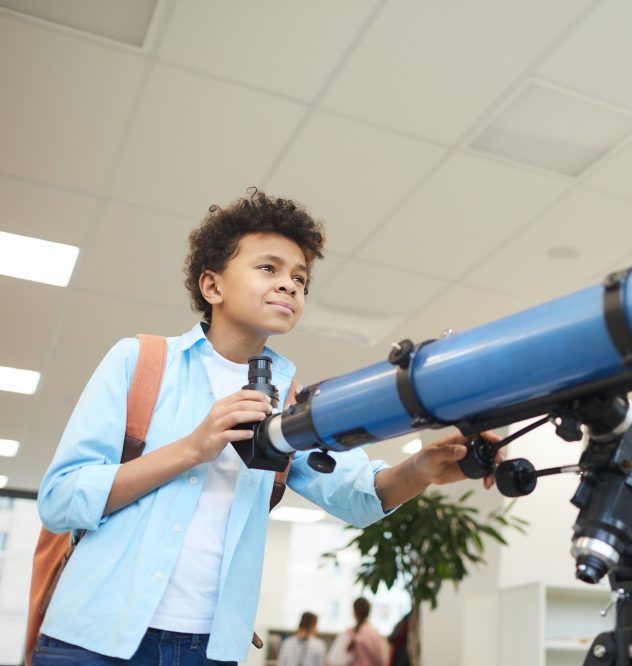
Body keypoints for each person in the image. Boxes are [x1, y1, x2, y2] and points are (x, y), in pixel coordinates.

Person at [32, 190, 501, 665]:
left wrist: (423, 467)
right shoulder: (139, 361)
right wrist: (193, 448)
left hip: (208, 650)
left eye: (300, 278)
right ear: (212, 286)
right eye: (268, 268)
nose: (291, 285)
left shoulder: (293, 403)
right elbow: (60, 499)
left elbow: (358, 494)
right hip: (92, 639)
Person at [325, 598, 384, 666]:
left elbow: (334, 660)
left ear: (354, 612)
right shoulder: (376, 634)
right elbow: (382, 660)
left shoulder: (349, 633)